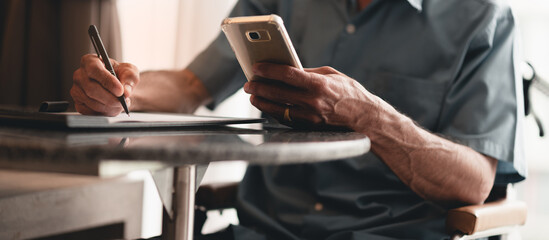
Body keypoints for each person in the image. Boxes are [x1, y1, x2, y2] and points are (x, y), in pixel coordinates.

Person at [71, 0, 526, 239]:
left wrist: (368, 114)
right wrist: (123, 89)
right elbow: (192, 85)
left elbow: (474, 184)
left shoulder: (484, 18)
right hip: (262, 232)